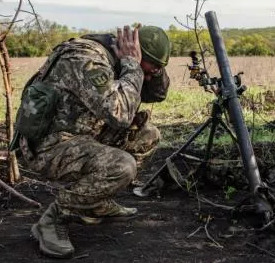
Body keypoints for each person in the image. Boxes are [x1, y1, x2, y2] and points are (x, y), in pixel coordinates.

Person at [12, 24, 171, 258]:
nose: (146, 77)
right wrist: (132, 67)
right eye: (146, 71)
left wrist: (150, 71)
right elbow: (120, 114)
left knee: (147, 135)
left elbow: (156, 94)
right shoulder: (86, 59)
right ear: (134, 54)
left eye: (151, 73)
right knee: (121, 166)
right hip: (49, 145)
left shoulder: (119, 58)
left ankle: (94, 201)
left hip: (81, 133)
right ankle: (53, 219)